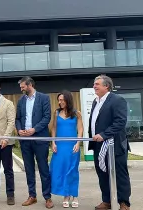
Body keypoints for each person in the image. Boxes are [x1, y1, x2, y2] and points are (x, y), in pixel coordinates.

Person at [88, 75, 131, 210]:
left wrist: (104, 134)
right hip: (98, 145)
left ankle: (124, 203)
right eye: (94, 84)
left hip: (115, 145)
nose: (94, 86)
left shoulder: (117, 100)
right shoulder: (96, 101)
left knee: (119, 174)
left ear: (106, 86)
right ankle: (106, 200)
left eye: (97, 84)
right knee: (102, 173)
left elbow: (120, 122)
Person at [15, 76, 53, 208]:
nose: (21, 89)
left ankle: (47, 197)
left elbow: (47, 117)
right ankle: (32, 196)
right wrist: (19, 129)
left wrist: (34, 129)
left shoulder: (44, 98)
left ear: (30, 84)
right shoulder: (21, 100)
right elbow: (18, 118)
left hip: (39, 139)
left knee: (44, 169)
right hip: (25, 140)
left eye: (23, 86)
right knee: (29, 169)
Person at [50, 90, 83, 208]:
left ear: (68, 100)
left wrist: (78, 143)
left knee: (72, 170)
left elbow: (80, 129)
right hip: (59, 146)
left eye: (62, 100)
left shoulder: (76, 113)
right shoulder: (56, 113)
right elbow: (53, 129)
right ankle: (66, 195)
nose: (60, 102)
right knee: (60, 170)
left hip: (72, 146)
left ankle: (74, 196)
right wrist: (53, 143)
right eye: (59, 100)